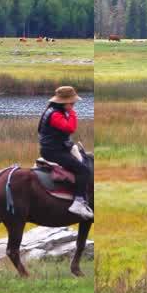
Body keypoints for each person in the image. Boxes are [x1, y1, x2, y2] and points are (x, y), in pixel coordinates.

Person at [39, 85, 93, 220]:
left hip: (55, 148)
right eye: (72, 102)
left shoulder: (52, 111)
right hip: (54, 151)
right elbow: (71, 128)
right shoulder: (55, 114)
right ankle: (78, 202)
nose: (74, 104)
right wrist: (73, 113)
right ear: (64, 102)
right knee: (84, 171)